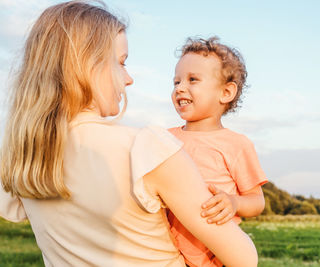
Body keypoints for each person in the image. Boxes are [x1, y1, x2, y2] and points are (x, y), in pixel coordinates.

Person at [0, 2, 258, 267]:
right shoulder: (146, 149)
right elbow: (244, 259)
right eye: (121, 63)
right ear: (87, 66)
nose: (128, 78)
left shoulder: (21, 155)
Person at [168, 37, 267, 267]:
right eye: (176, 82)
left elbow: (257, 201)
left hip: (216, 256)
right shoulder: (165, 139)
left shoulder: (237, 145)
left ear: (225, 92)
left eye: (193, 79)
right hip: (168, 253)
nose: (180, 87)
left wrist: (233, 203)